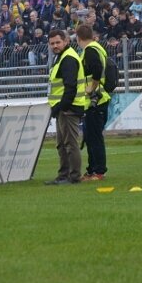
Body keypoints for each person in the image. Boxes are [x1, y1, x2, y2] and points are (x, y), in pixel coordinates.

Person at [45, 29, 88, 185]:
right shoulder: (63, 57)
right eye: (52, 43)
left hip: (68, 108)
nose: (55, 45)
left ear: (66, 41)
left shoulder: (68, 59)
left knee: (70, 144)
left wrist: (61, 107)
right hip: (64, 107)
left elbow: (70, 87)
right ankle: (64, 175)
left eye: (57, 42)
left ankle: (74, 176)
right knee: (62, 144)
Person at [76, 25, 110, 181]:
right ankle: (91, 170)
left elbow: (96, 68)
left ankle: (98, 171)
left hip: (95, 100)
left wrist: (91, 87)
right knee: (90, 137)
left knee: (94, 138)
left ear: (78, 38)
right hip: (96, 100)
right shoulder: (97, 48)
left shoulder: (90, 50)